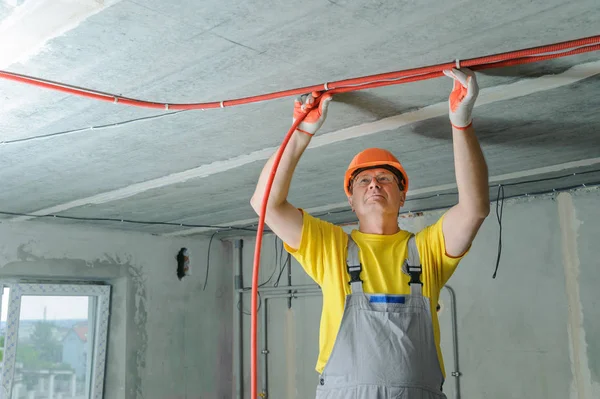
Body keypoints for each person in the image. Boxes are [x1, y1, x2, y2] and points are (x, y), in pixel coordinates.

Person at [250, 68, 489, 399]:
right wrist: (301, 133)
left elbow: (474, 208)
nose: (374, 183)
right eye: (363, 180)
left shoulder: (427, 251)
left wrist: (460, 124)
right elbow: (266, 205)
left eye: (385, 178)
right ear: (351, 200)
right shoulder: (331, 248)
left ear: (402, 196)